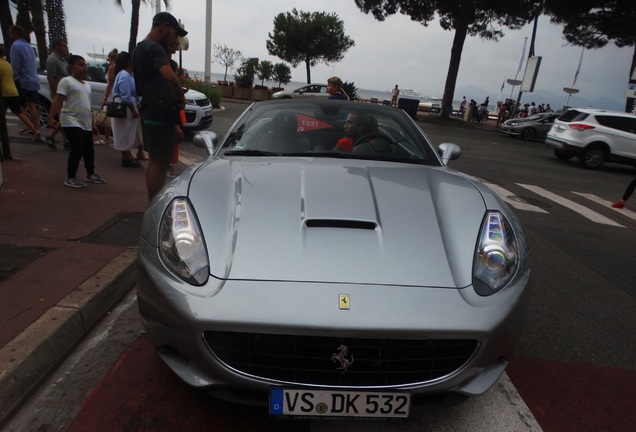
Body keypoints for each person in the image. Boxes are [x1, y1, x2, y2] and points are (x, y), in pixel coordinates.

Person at [132, 12, 187, 201]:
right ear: (164, 27)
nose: (175, 37)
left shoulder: (140, 49)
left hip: (149, 109)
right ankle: (155, 204)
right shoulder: (155, 48)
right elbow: (168, 75)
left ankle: (152, 201)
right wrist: (180, 95)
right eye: (173, 32)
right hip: (160, 111)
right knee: (160, 163)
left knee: (155, 161)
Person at [48, 55, 106, 188]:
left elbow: (88, 105)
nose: (84, 68)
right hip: (70, 119)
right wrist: (50, 117)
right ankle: (71, 177)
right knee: (77, 149)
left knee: (89, 149)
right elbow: (58, 100)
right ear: (71, 67)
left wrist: (92, 123)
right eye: (80, 65)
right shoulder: (66, 81)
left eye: (85, 65)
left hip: (85, 122)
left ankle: (90, 174)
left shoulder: (86, 85)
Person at [9, 25, 43, 142]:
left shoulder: (15, 46)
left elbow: (15, 66)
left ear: (13, 34)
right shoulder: (28, 46)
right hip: (33, 79)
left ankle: (32, 128)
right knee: (32, 104)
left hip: (22, 79)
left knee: (15, 105)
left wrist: (14, 77)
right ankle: (36, 127)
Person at [0, 45, 41, 137]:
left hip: (4, 93)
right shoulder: (7, 64)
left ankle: (3, 136)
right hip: (13, 91)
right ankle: (35, 130)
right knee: (19, 112)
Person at [110, 51, 141, 167]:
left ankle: (127, 154)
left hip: (128, 105)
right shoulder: (124, 75)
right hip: (125, 107)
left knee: (128, 131)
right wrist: (133, 110)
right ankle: (125, 157)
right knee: (124, 131)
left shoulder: (128, 75)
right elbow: (125, 96)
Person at [44, 38, 69, 150]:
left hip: (63, 92)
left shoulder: (61, 60)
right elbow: (50, 77)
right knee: (64, 117)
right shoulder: (52, 60)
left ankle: (65, 141)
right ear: (57, 47)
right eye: (63, 46)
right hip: (59, 93)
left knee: (63, 117)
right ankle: (52, 136)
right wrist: (56, 92)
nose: (66, 48)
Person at [96, 48, 118, 145]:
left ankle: (106, 138)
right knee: (112, 115)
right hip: (116, 92)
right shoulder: (119, 68)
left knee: (108, 114)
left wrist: (105, 97)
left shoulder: (111, 68)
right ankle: (108, 137)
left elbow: (110, 84)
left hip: (111, 93)